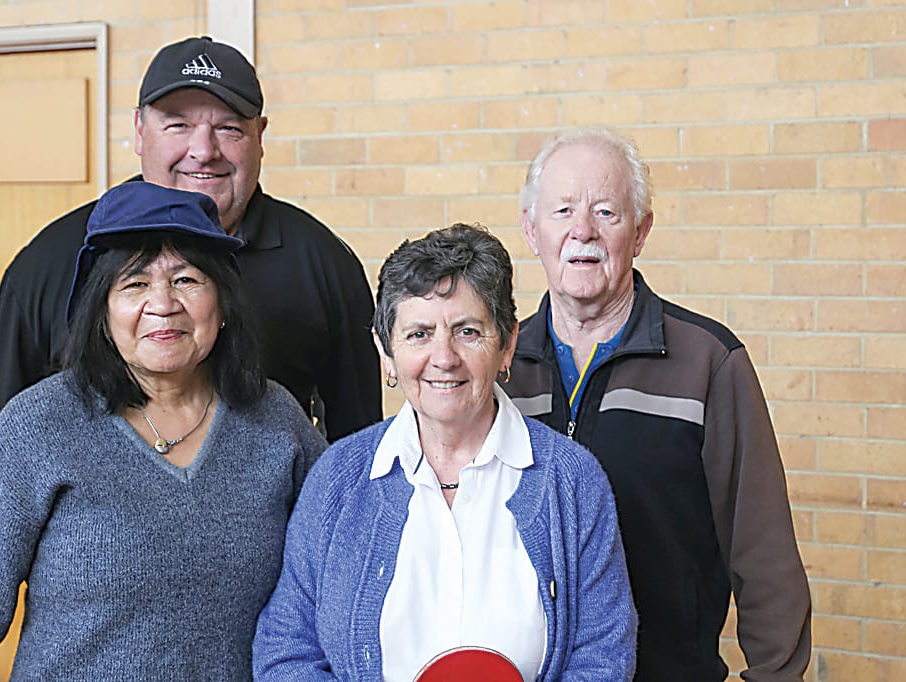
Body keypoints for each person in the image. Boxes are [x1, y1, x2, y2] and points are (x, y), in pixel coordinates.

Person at [0, 182, 327, 680]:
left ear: (222, 305)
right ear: (102, 312)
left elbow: (331, 583)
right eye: (134, 284)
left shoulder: (277, 422)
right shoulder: (39, 426)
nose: (163, 303)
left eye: (187, 280)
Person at [253, 224, 637, 681]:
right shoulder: (338, 478)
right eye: (418, 334)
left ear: (508, 343)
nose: (444, 356)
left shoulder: (572, 482)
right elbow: (286, 649)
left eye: (467, 331)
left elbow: (602, 657)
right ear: (386, 352)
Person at [505, 127, 811, 681]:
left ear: (641, 231)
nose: (582, 231)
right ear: (531, 229)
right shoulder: (497, 370)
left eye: (606, 212)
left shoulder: (709, 362)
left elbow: (763, 552)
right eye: (563, 211)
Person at [0, 35, 380, 442]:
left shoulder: (324, 263)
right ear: (139, 130)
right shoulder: (51, 260)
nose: (203, 151)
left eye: (228, 129)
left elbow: (360, 447)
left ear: (260, 135)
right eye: (178, 125)